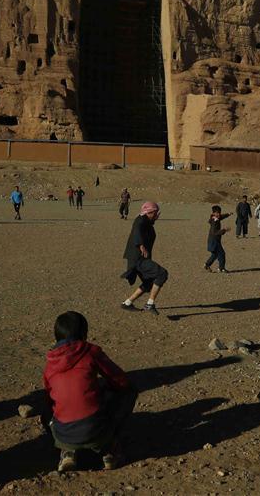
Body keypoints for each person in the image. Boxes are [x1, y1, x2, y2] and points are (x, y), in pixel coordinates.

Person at [42, 311, 137, 472]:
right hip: (96, 430)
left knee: (50, 411)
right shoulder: (90, 351)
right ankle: (110, 449)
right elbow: (120, 380)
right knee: (129, 391)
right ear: (84, 334)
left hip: (62, 432)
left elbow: (49, 400)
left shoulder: (50, 363)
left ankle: (67, 451)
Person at [120, 201, 168, 315]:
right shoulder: (140, 220)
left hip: (141, 258)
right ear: (149, 212)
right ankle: (149, 304)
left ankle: (127, 303)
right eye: (155, 213)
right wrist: (141, 245)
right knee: (162, 273)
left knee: (149, 282)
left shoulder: (146, 222)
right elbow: (137, 230)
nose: (157, 216)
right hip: (138, 259)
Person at [204, 205, 231, 273]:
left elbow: (221, 217)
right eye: (217, 213)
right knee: (221, 253)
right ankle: (221, 268)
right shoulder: (215, 221)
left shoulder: (215, 218)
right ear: (213, 213)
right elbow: (215, 232)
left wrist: (228, 214)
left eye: (219, 212)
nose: (219, 214)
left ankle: (207, 265)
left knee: (215, 254)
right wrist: (224, 230)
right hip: (214, 240)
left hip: (213, 240)